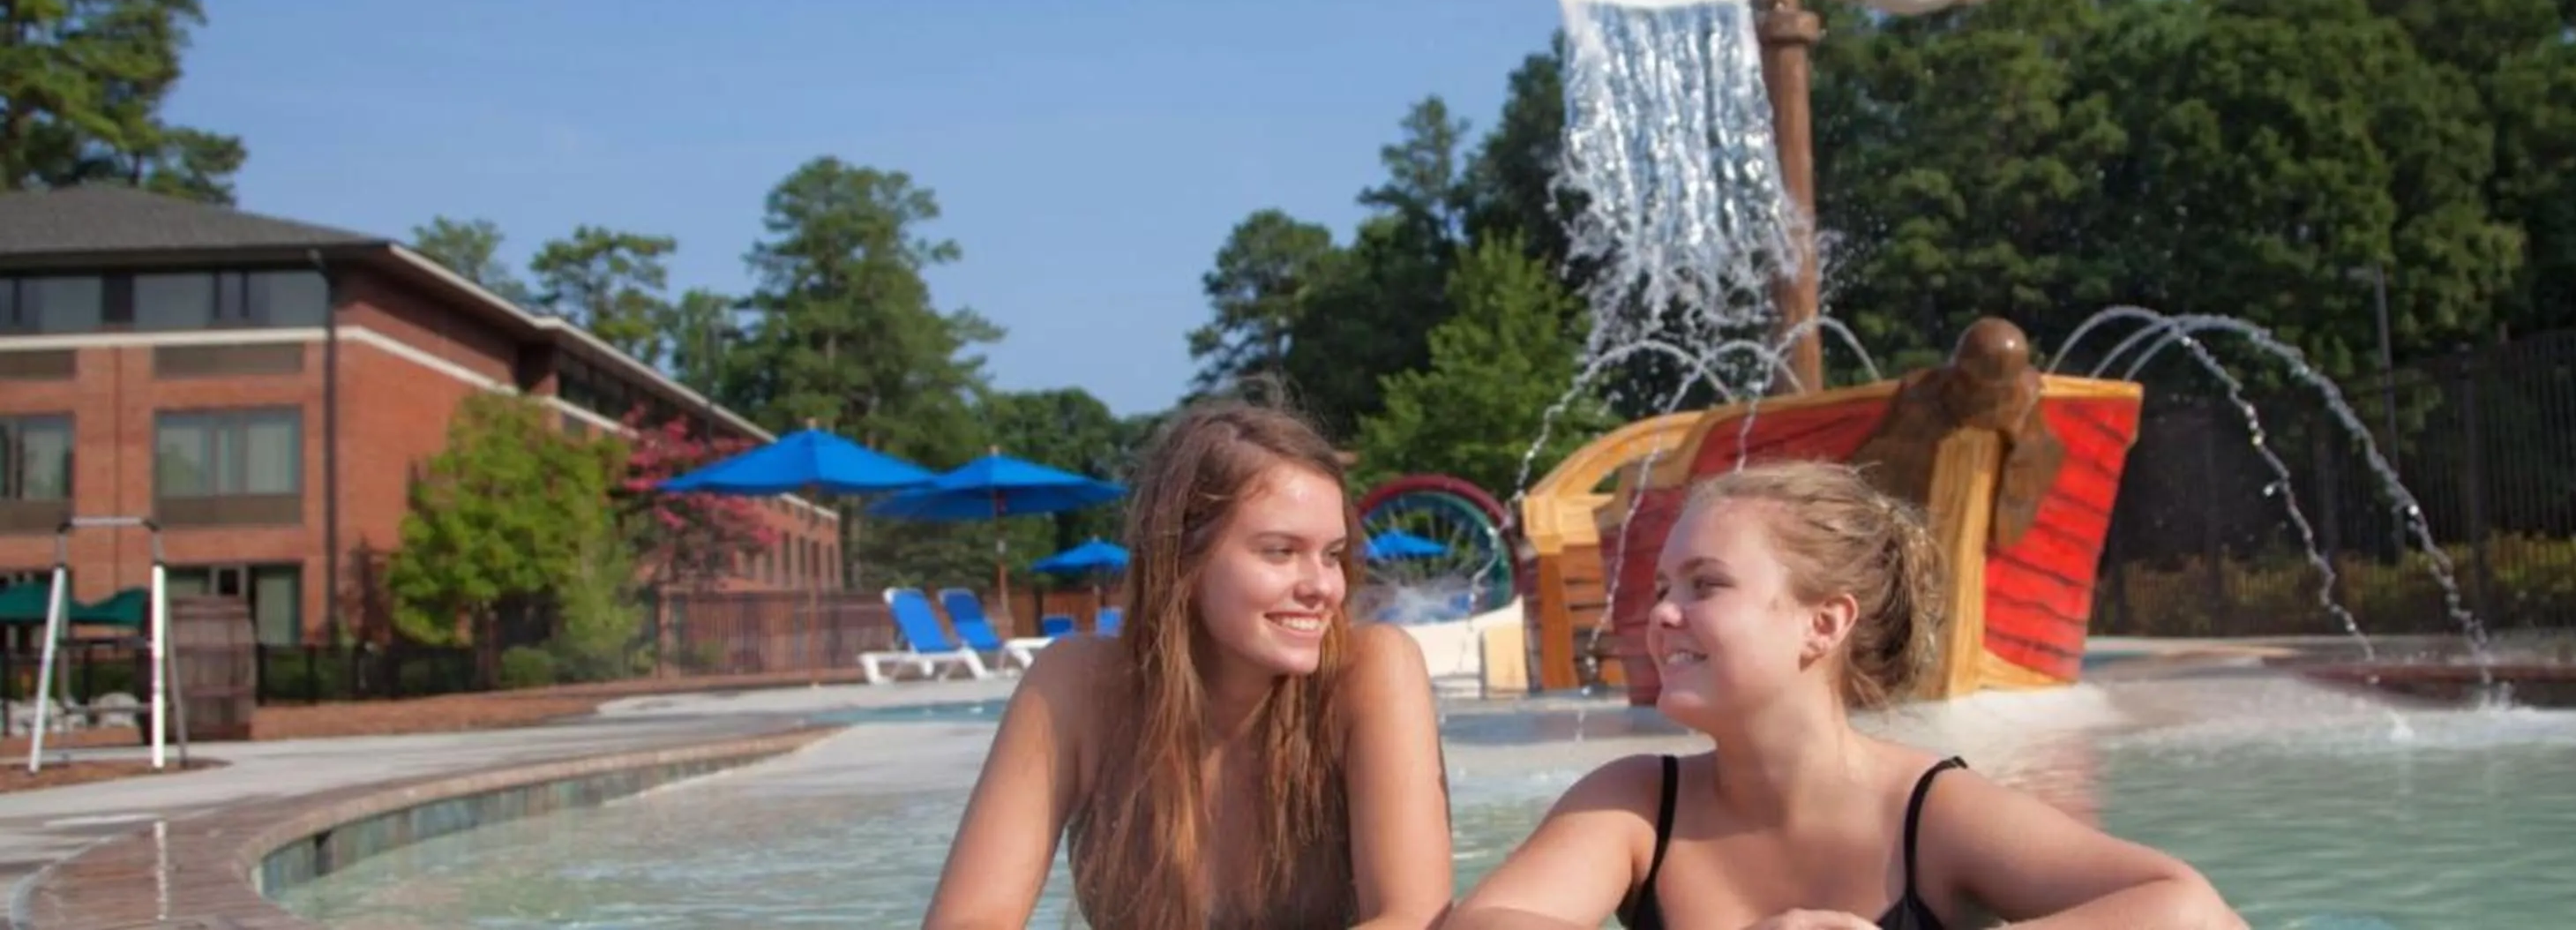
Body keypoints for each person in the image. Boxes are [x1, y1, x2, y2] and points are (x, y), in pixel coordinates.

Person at [1449, 459, 2244, 930]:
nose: (1660, 613)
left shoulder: (1932, 813)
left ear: (1822, 624)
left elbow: (2190, 910)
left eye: (1706, 585)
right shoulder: (1635, 804)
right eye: (1662, 585)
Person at [920, 399, 1455, 930]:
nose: (1322, 587)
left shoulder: (1369, 674)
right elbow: (968, 918)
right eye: (1279, 552)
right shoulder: (1079, 687)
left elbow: (1412, 919)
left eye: (1332, 554)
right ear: (1183, 561)